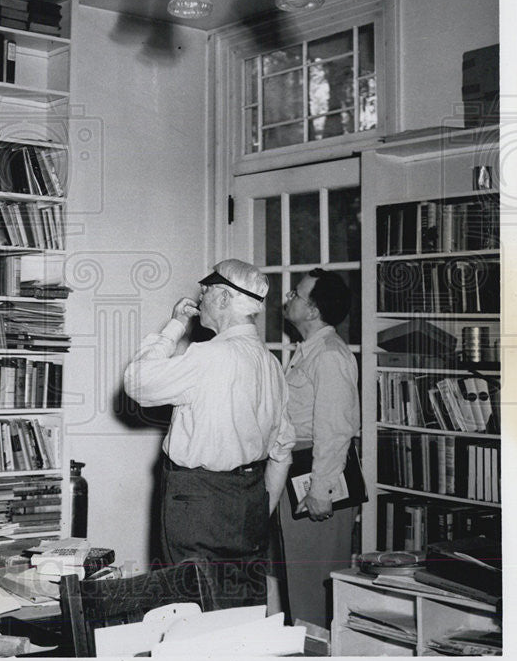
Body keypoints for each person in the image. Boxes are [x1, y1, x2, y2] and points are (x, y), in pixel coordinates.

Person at [123, 259, 295, 566]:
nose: (200, 295)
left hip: (198, 503)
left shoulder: (209, 356)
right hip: (250, 500)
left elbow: (137, 383)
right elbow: (282, 454)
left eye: (207, 289)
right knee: (241, 606)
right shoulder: (271, 364)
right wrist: (257, 513)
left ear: (225, 298)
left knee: (190, 602)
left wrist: (174, 326)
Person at [280, 268, 360, 629]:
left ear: (313, 311)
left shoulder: (328, 355)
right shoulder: (310, 352)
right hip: (299, 471)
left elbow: (335, 430)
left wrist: (321, 491)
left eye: (296, 294)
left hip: (317, 476)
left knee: (314, 590)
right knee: (301, 585)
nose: (288, 298)